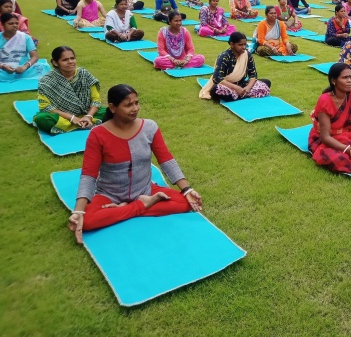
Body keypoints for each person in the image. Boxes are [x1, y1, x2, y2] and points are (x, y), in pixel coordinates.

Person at [67, 84, 202, 242]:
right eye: (128, 105)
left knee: (186, 202)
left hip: (145, 189)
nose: (135, 108)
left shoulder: (149, 127)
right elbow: (89, 175)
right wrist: (79, 212)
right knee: (87, 220)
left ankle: (131, 207)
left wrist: (186, 189)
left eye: (136, 103)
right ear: (112, 107)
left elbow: (166, 159)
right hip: (110, 195)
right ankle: (142, 205)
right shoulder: (97, 135)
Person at [34, 46, 107, 134]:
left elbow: (96, 100)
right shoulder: (47, 81)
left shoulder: (84, 74)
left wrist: (89, 116)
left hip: (86, 112)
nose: (70, 62)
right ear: (55, 62)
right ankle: (84, 124)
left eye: (72, 58)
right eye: (65, 60)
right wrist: (73, 118)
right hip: (63, 117)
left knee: (112, 111)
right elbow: (46, 107)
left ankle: (83, 122)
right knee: (41, 118)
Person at [201, 32, 271, 101]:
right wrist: (236, 88)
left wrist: (248, 88)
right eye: (240, 45)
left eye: (245, 44)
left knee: (266, 82)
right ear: (232, 44)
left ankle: (241, 94)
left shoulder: (247, 55)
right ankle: (244, 95)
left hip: (242, 84)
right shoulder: (224, 56)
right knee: (217, 89)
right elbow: (217, 78)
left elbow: (253, 75)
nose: (244, 47)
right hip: (227, 86)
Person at [0, 13, 49, 82]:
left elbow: (35, 56)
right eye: (11, 23)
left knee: (41, 68)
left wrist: (24, 67)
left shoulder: (25, 37)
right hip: (3, 67)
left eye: (16, 23)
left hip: (23, 66)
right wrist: (3, 66)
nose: (15, 26)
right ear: (2, 25)